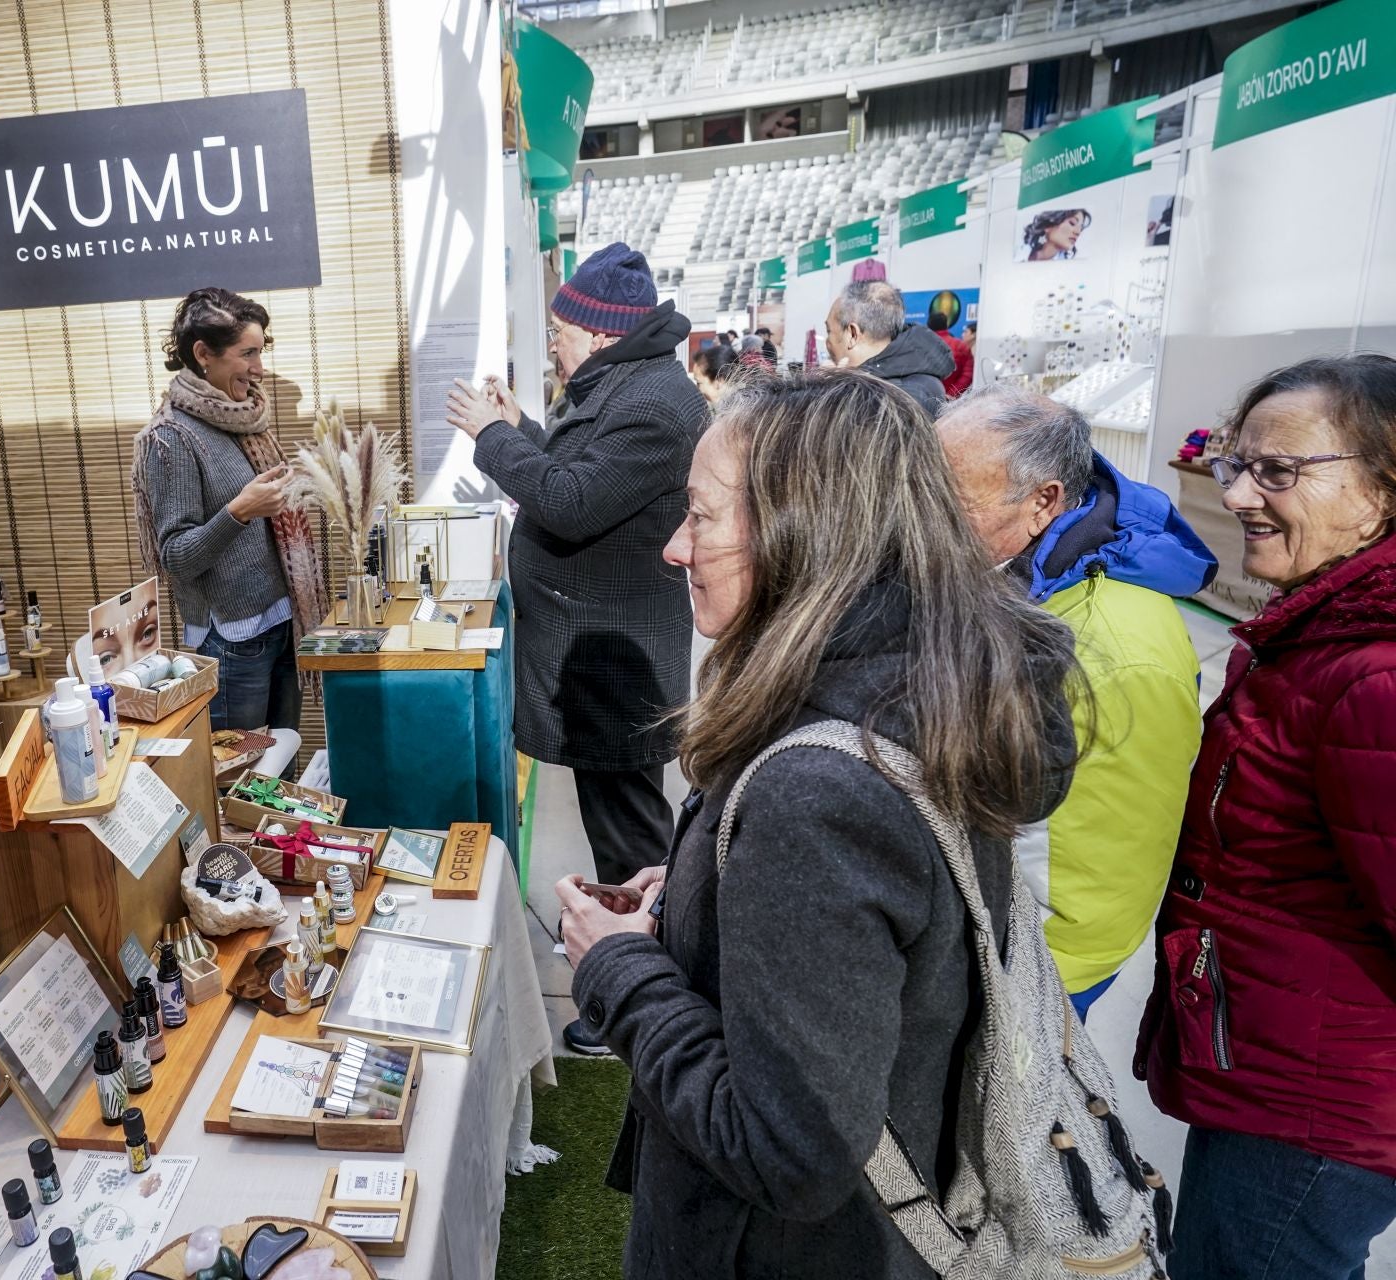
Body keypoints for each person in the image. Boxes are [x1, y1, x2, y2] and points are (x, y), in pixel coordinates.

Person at [556, 370, 1077, 1277]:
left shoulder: (822, 789)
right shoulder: (921, 689)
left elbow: (789, 1152)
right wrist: (693, 897)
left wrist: (616, 966)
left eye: (703, 515)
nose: (677, 548)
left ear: (813, 534)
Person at [1138, 354, 1396, 1280]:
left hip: (1319, 1104)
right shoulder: (1325, 635)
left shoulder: (1372, 673)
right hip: (1288, 1076)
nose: (1242, 493)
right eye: (1234, 463)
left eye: (1278, 471)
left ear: (1381, 493)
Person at [445, 242, 705, 1057]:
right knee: (622, 825)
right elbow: (577, 468)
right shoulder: (630, 383)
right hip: (603, 655)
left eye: (559, 328)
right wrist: (521, 424)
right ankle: (641, 970)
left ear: (597, 335)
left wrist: (490, 435)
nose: (552, 340)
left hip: (615, 660)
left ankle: (643, 994)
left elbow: (569, 499)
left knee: (632, 840)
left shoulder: (656, 403)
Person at [938, 386, 1213, 1018]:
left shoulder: (1114, 650)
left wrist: (1028, 985)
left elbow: (1106, 866)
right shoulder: (1019, 576)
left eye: (950, 499)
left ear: (1044, 501)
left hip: (1035, 966)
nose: (924, 516)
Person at [132, 287, 329, 738]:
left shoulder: (243, 417)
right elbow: (176, 556)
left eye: (261, 351)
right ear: (204, 354)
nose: (259, 368)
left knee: (279, 769)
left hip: (281, 622)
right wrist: (239, 511)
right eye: (248, 353)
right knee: (239, 780)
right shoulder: (170, 439)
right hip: (232, 640)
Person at [824, 280, 956, 417]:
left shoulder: (889, 401)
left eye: (829, 331)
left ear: (853, 334)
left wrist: (829, 390)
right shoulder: (916, 381)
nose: (827, 342)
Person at [930, 312, 975, 399]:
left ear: (929, 324)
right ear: (946, 325)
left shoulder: (922, 344)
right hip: (950, 401)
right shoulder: (960, 345)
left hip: (925, 398)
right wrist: (951, 394)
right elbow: (968, 374)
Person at [1023, 208, 1092, 261]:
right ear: (1048, 226)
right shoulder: (1019, 251)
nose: (1078, 232)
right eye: (1072, 223)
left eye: (1081, 228)